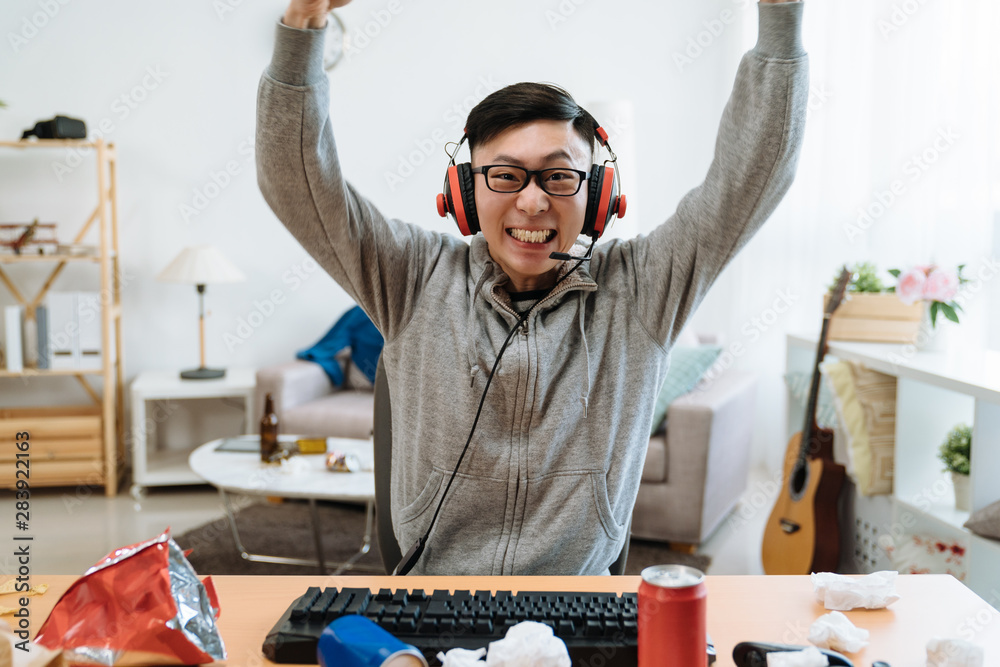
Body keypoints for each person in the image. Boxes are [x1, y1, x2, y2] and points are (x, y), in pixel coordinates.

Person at [258, 0, 808, 575]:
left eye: (559, 174)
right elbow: (295, 181)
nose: (532, 199)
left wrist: (778, 17)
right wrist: (302, 25)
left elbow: (753, 176)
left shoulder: (644, 288)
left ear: (597, 197)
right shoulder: (411, 275)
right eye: (504, 174)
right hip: (434, 597)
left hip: (579, 609)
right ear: (465, 193)